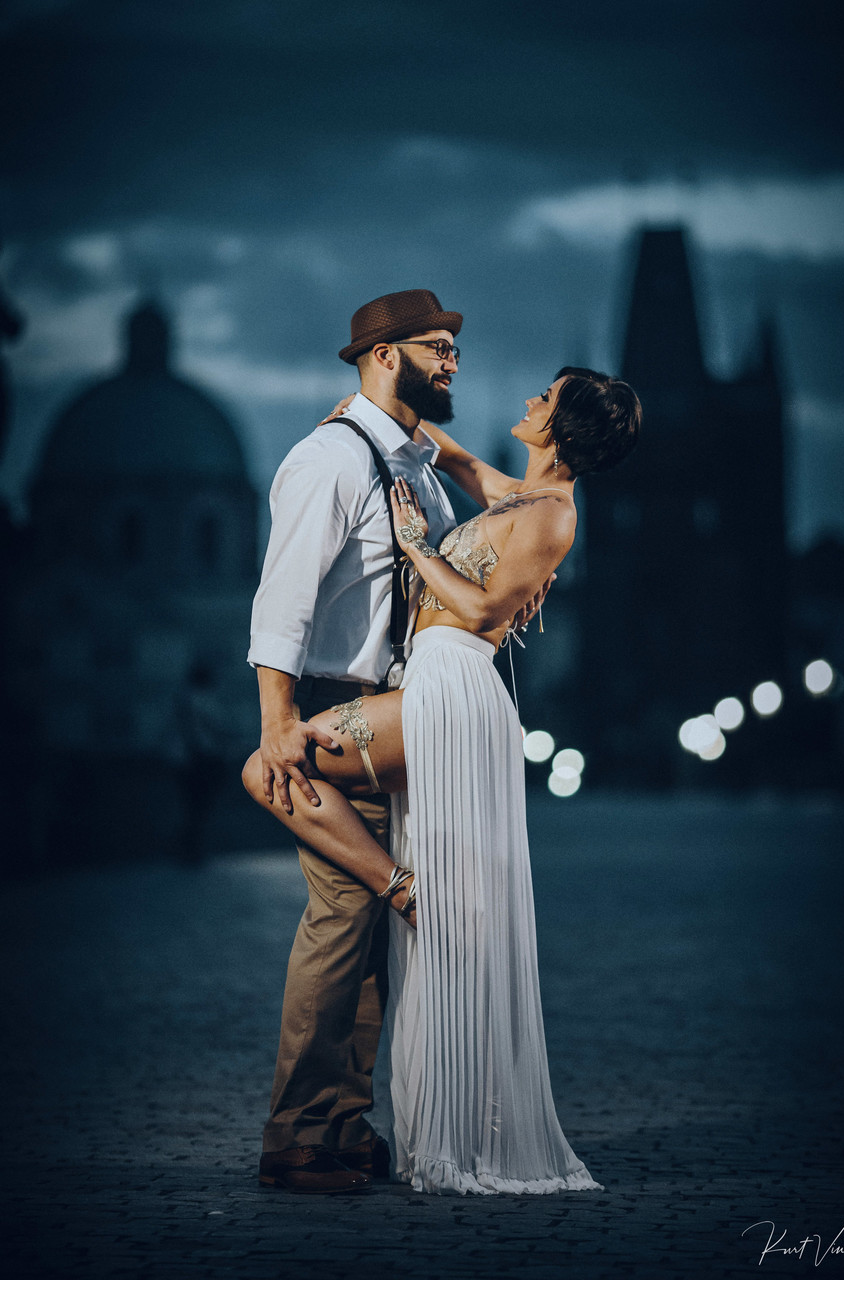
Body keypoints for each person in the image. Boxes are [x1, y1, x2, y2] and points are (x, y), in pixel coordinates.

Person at [244, 363, 642, 1194]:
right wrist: (369, 420)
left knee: (267, 765)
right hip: (430, 682)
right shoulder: (520, 496)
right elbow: (456, 462)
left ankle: (402, 886)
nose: (530, 401)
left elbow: (483, 612)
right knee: (296, 804)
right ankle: (396, 894)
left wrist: (416, 546)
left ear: (562, 427)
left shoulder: (555, 513)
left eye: (547, 398)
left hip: (451, 684)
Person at [248, 289, 465, 1194]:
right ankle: (297, 1129)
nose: (452, 359)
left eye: (454, 346)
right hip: (335, 714)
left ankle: (340, 1120)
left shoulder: (412, 465)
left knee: (373, 928)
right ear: (383, 355)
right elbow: (282, 606)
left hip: (396, 722)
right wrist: (278, 731)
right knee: (342, 913)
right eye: (435, 346)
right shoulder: (330, 459)